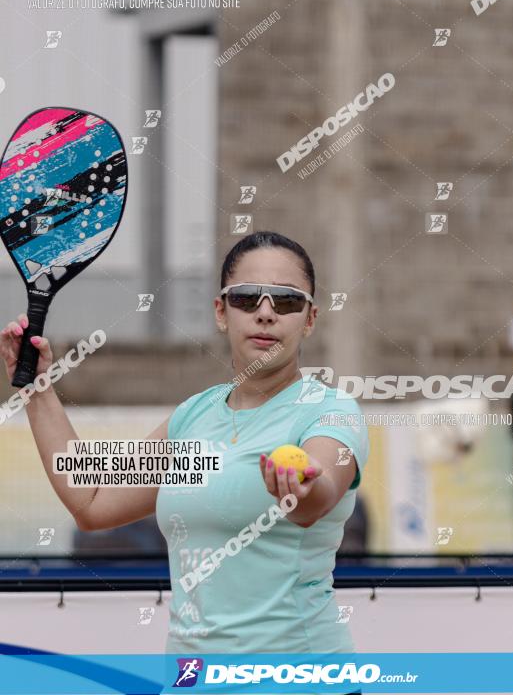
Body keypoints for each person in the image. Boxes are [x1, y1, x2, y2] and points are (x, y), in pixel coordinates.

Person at [0, 230, 369, 695]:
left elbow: (317, 496)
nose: (266, 311)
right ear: (221, 311)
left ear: (310, 319)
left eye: (287, 300)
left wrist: (299, 487)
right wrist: (37, 388)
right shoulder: (194, 416)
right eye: (246, 297)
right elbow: (91, 501)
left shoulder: (329, 411)